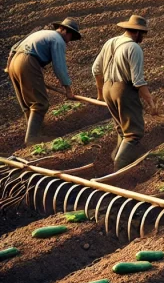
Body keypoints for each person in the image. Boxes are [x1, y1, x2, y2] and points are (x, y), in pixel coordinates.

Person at [92, 14, 156, 169]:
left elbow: (95, 69)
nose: (143, 37)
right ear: (137, 32)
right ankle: (119, 165)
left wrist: (101, 94)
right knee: (134, 133)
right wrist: (151, 103)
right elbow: (138, 81)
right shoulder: (134, 48)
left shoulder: (111, 42)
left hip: (108, 89)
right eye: (143, 34)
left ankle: (117, 157)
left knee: (122, 129)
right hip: (123, 91)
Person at [6, 18, 81, 145]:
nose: (69, 40)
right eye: (70, 35)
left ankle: (35, 132)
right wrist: (68, 89)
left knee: (28, 103)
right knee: (40, 103)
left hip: (15, 62)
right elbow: (59, 66)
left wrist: (9, 66)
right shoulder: (58, 40)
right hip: (28, 62)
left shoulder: (42, 33)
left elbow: (14, 48)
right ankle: (32, 138)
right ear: (63, 30)